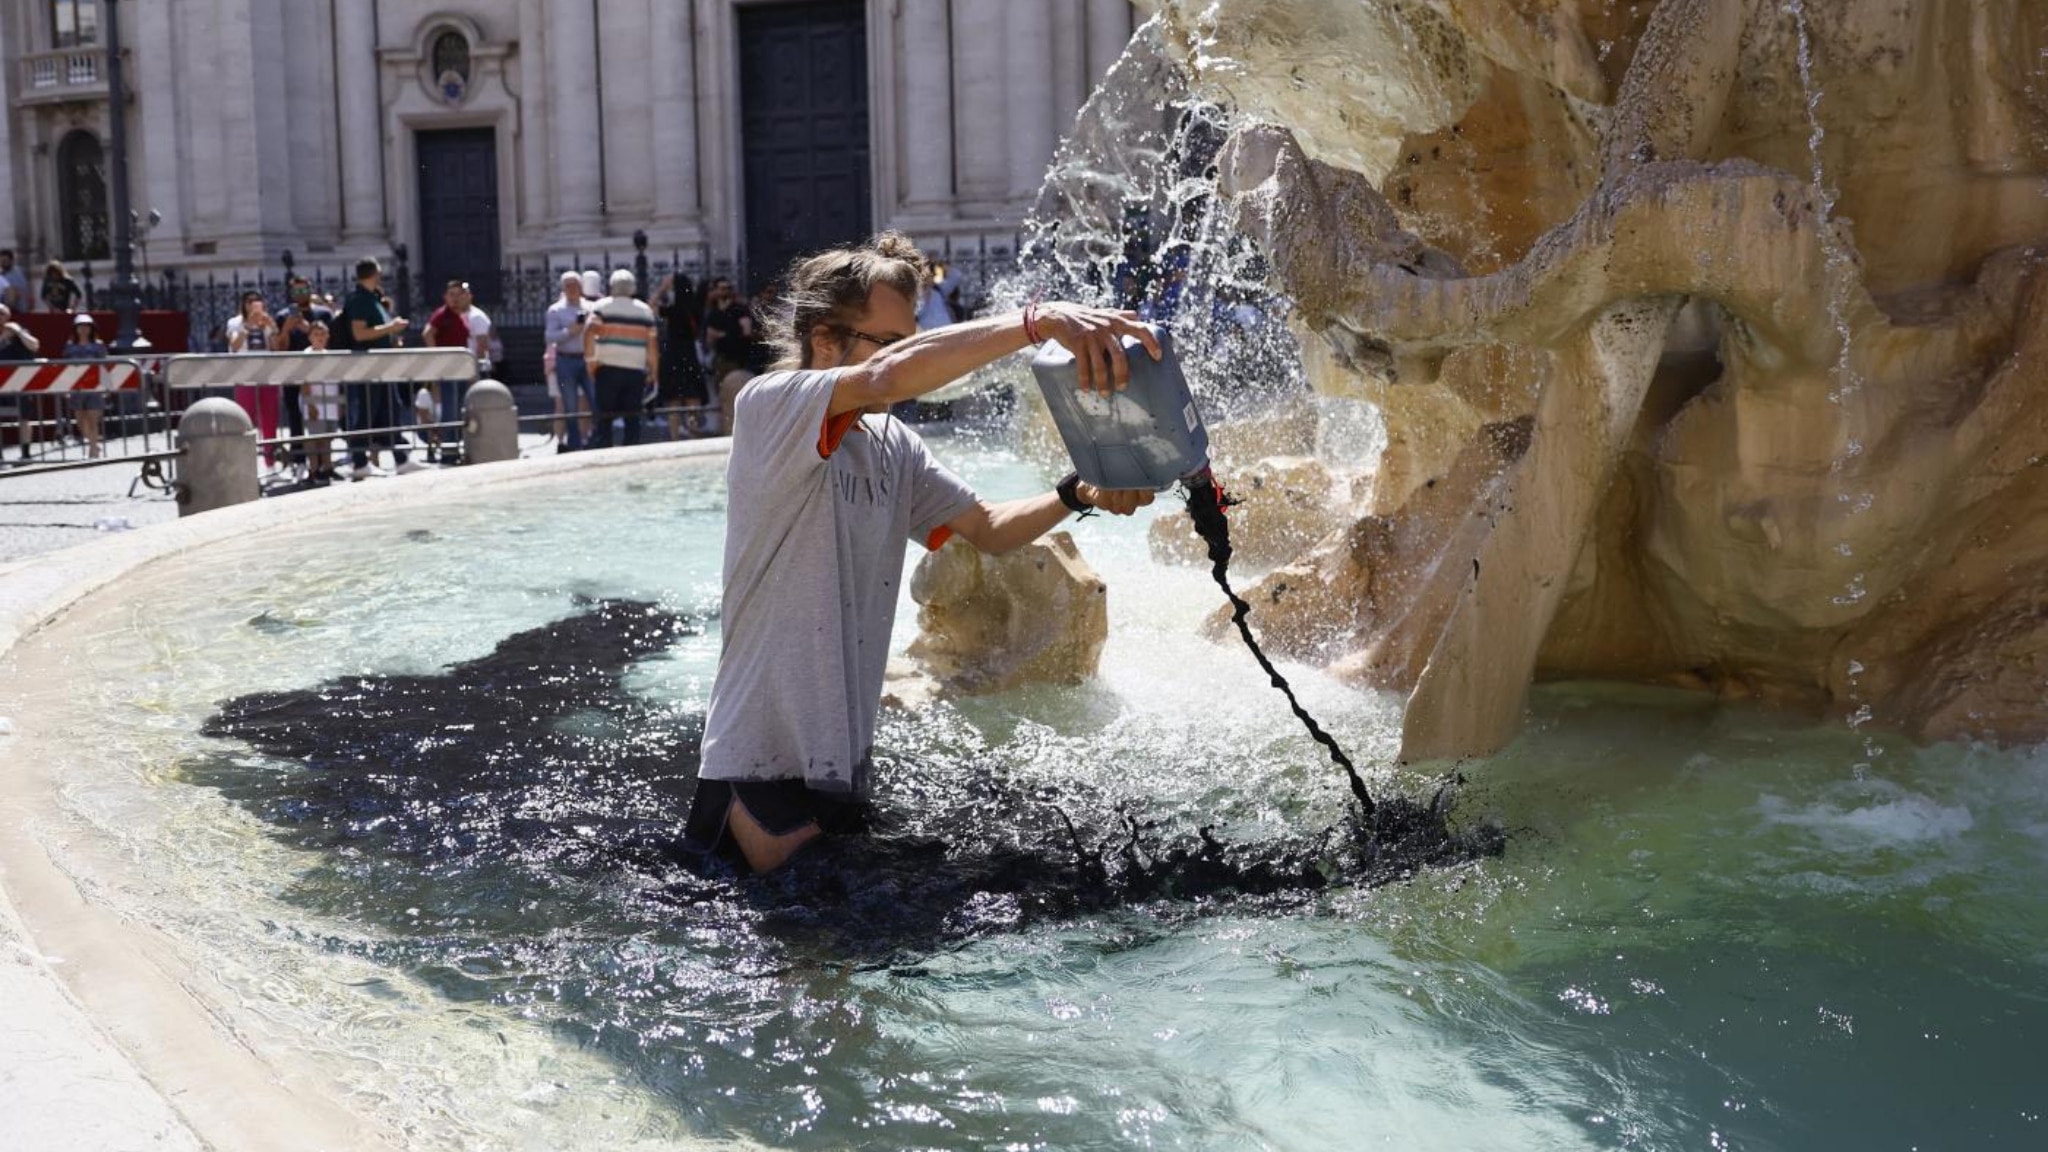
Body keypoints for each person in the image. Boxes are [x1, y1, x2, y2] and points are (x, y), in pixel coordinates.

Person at [682, 231, 1158, 873]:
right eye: (895, 338)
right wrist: (1036, 322)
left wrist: (1078, 492)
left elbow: (988, 527)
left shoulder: (892, 443)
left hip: (841, 773)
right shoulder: (772, 405)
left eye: (915, 335)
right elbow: (885, 375)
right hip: (756, 771)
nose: (912, 359)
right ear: (826, 339)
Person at [339, 256, 420, 479]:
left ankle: (401, 459)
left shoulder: (372, 298)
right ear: (374, 274)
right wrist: (391, 328)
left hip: (381, 366)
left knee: (391, 412)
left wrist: (391, 335)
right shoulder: (359, 300)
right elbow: (359, 333)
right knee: (365, 414)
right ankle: (359, 462)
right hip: (368, 366)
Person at [583, 269, 659, 449]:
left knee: (605, 418)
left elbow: (588, 333)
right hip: (635, 369)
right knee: (632, 418)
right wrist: (654, 371)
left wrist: (590, 360)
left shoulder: (601, 307)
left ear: (611, 287)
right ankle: (630, 456)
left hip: (606, 368)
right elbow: (652, 344)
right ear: (632, 288)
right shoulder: (645, 310)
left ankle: (605, 454)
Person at [269, 276, 334, 474]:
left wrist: (308, 329)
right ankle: (300, 462)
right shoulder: (282, 316)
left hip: (321, 377)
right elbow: (279, 348)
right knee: (296, 418)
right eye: (296, 292)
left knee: (324, 419)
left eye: (303, 290)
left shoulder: (322, 314)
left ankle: (326, 464)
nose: (300, 295)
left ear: (310, 290)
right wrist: (287, 329)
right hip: (293, 376)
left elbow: (332, 343)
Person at [225, 291, 282, 466]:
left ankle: (270, 460)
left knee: (269, 416)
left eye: (257, 302)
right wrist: (248, 327)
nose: (254, 305)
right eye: (250, 302)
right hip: (245, 375)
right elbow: (234, 346)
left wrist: (272, 328)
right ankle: (246, 461)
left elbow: (276, 348)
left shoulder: (267, 321)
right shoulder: (235, 323)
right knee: (245, 417)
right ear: (244, 305)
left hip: (266, 373)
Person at [544, 271, 596, 450]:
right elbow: (549, 336)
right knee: (570, 404)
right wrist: (570, 331)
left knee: (594, 400)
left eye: (575, 285)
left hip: (587, 358)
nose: (572, 289)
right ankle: (574, 442)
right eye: (568, 286)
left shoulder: (591, 307)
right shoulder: (555, 310)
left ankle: (595, 437)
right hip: (566, 359)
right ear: (563, 288)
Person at [423, 280, 472, 463]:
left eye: (459, 294)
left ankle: (453, 448)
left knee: (457, 410)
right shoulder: (441, 315)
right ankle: (448, 451)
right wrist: (437, 359)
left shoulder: (461, 315)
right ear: (445, 297)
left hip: (460, 370)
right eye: (452, 294)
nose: (455, 298)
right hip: (448, 369)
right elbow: (428, 333)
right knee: (450, 412)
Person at [298, 320, 341, 484]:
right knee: (314, 440)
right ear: (310, 337)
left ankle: (327, 468)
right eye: (316, 334)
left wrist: (338, 404)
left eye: (323, 333)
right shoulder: (307, 355)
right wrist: (310, 405)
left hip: (329, 403)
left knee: (327, 439)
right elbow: (305, 383)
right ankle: (314, 471)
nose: (320, 337)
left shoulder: (329, 355)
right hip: (315, 404)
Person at [62, 314, 110, 459]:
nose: (83, 329)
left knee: (93, 419)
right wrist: (66, 387)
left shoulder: (98, 345)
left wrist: (106, 386)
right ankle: (93, 442)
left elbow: (104, 366)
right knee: (80, 421)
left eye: (86, 326)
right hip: (76, 387)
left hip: (94, 386)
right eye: (80, 326)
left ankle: (93, 449)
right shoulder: (69, 347)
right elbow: (65, 368)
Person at [0, 303, 41, 464]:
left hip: (20, 381)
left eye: (2, 314)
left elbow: (35, 346)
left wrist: (18, 331)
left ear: (8, 316)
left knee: (24, 417)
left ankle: (26, 453)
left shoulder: (19, 331)